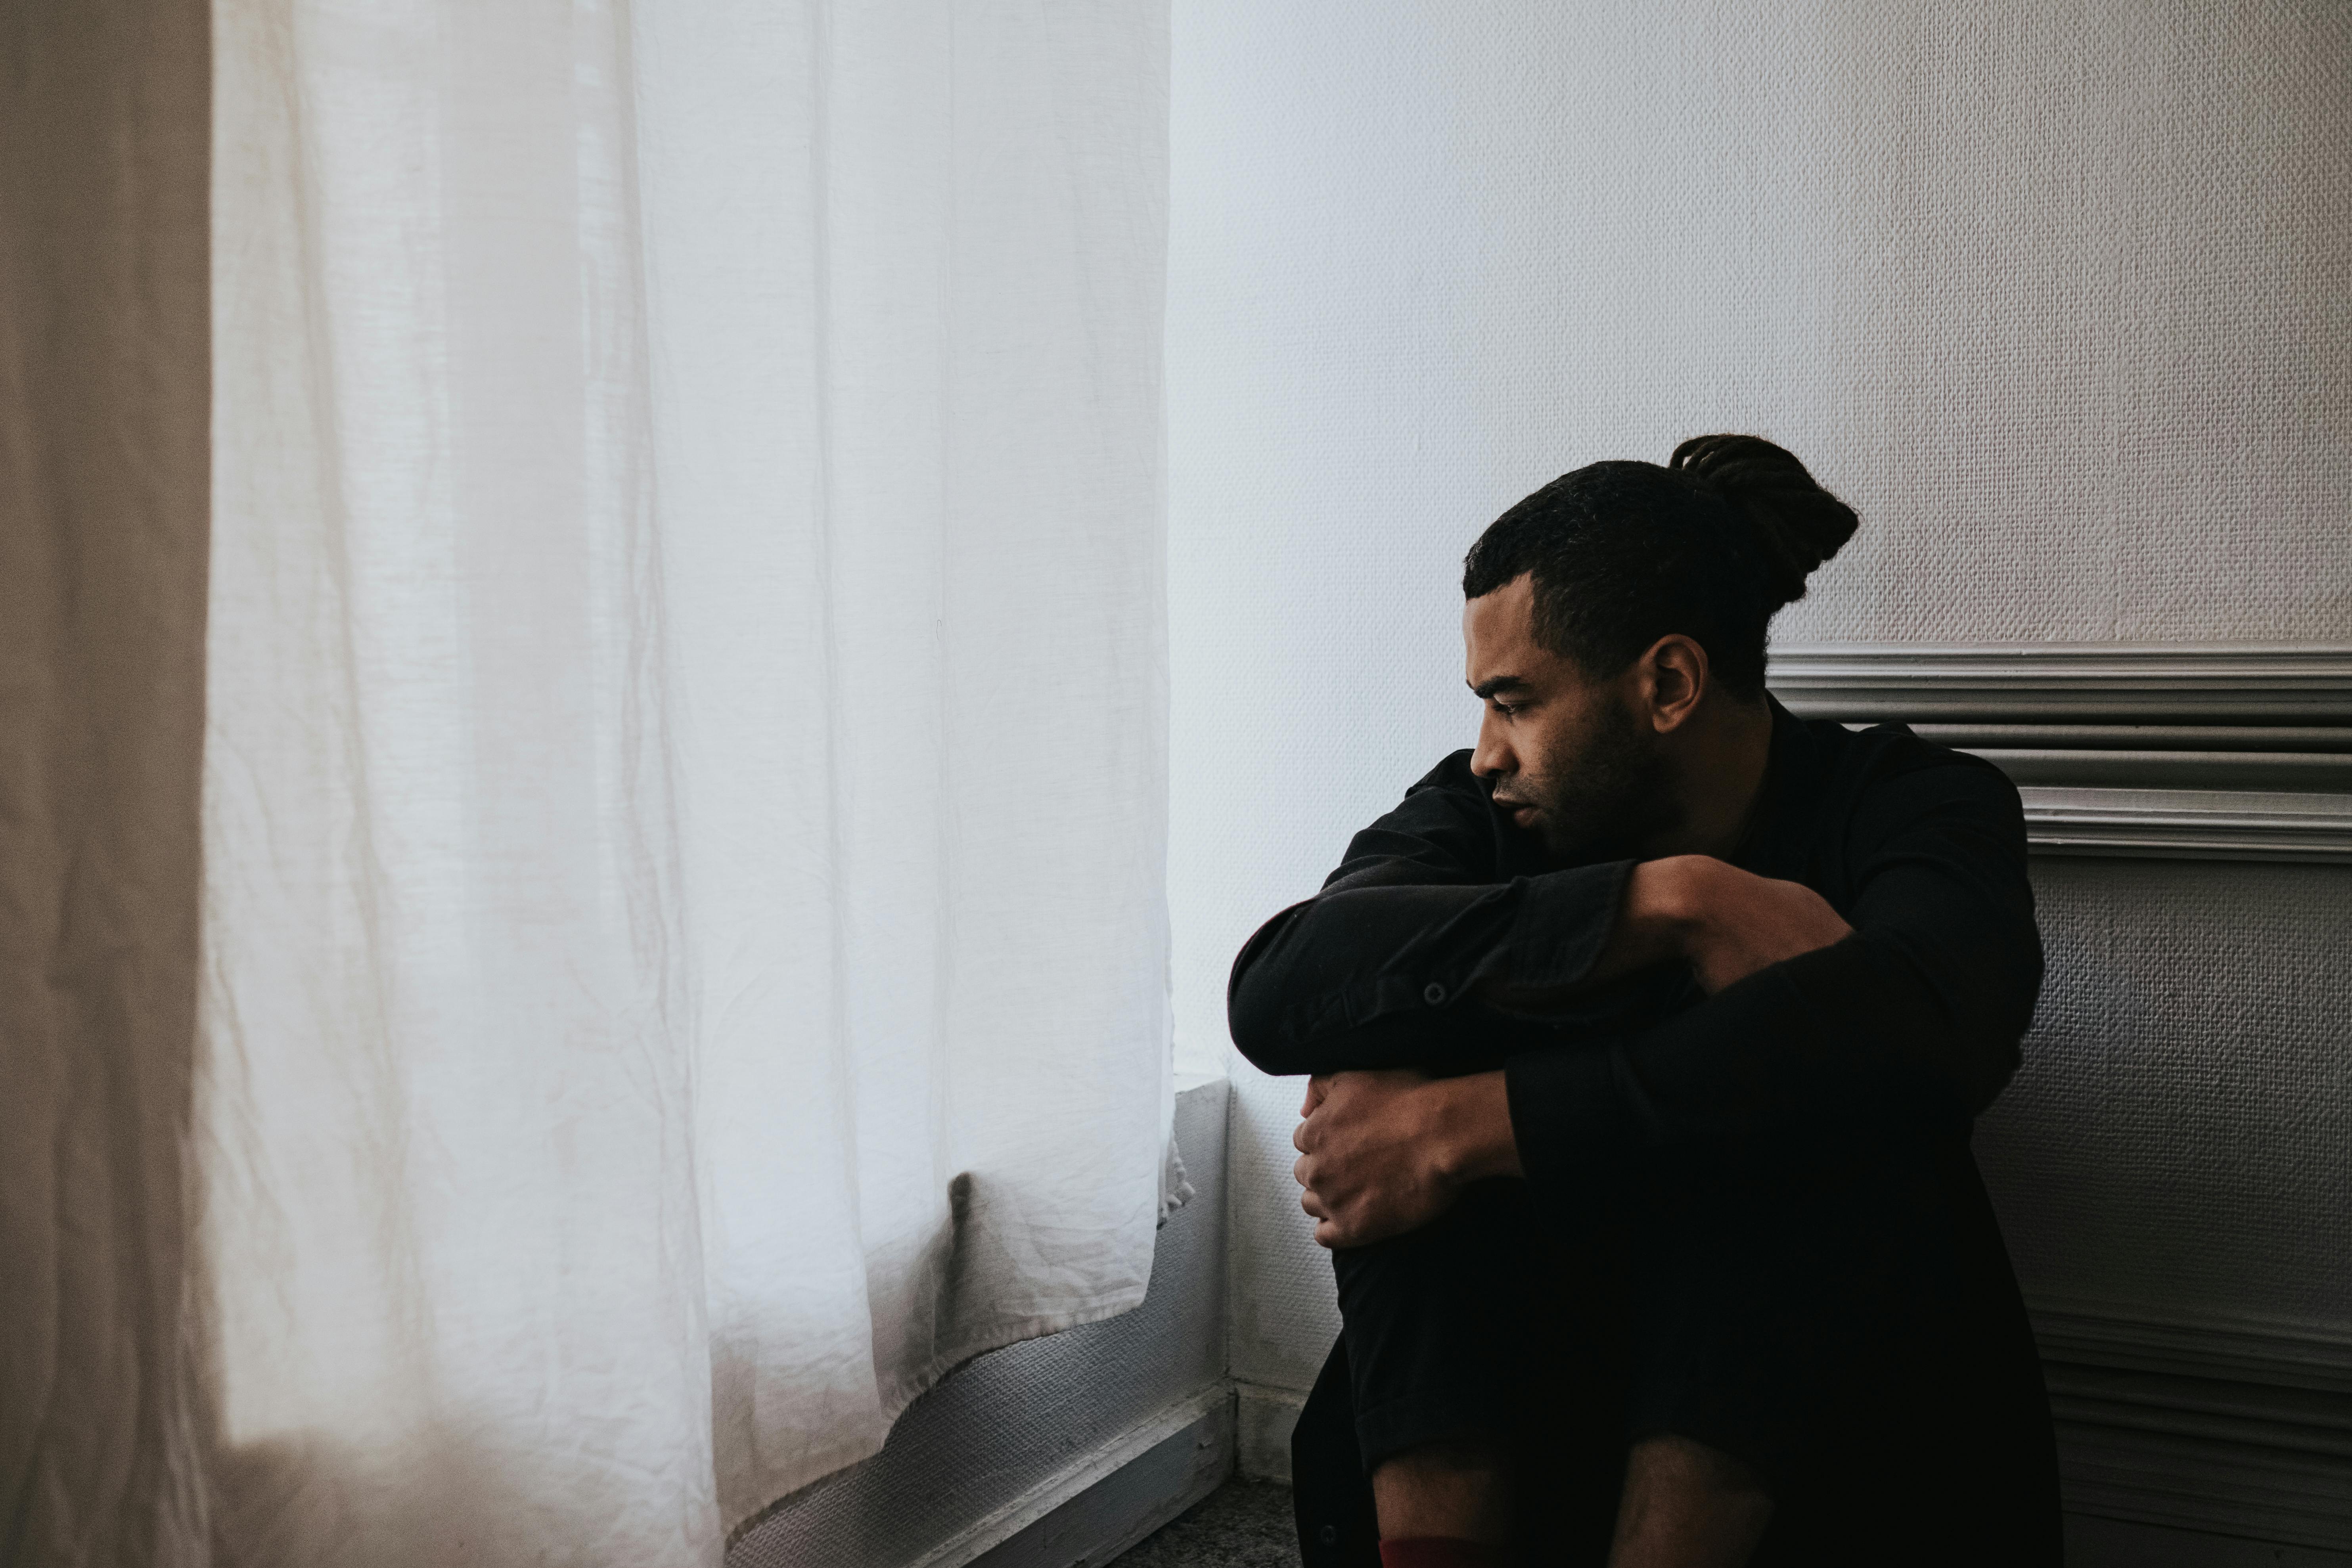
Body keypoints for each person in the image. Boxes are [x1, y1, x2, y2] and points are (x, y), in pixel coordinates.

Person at [1226, 436, 2062, 1568]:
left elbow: (1935, 1039)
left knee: (1824, 1081)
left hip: (1814, 1431)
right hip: (1530, 1379)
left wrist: (1470, 1126)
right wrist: (1671, 904)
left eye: (1515, 702)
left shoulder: (1912, 805)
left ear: (1667, 685)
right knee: (1375, 1063)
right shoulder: (1482, 812)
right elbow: (1280, 988)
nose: (1486, 753)